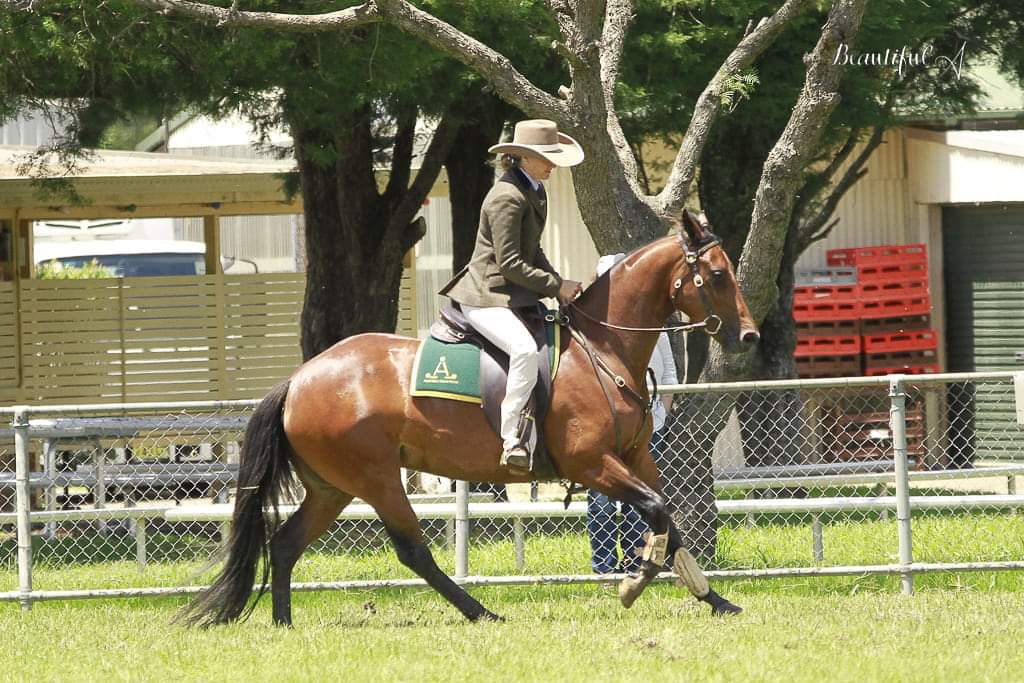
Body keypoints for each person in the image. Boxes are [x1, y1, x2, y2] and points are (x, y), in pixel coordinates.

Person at [439, 119, 584, 472]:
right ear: (524, 157)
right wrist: (556, 286)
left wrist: (558, 283)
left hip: (512, 296)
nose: (552, 165)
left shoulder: (535, 189)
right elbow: (510, 264)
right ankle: (513, 438)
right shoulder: (507, 196)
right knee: (523, 349)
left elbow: (534, 251)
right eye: (546, 158)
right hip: (485, 296)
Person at [586, 253, 679, 574]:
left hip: (648, 427)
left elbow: (669, 376)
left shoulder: (653, 327)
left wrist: (660, 418)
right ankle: (603, 567)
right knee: (601, 500)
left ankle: (633, 561)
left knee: (638, 500)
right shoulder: (591, 330)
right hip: (604, 430)